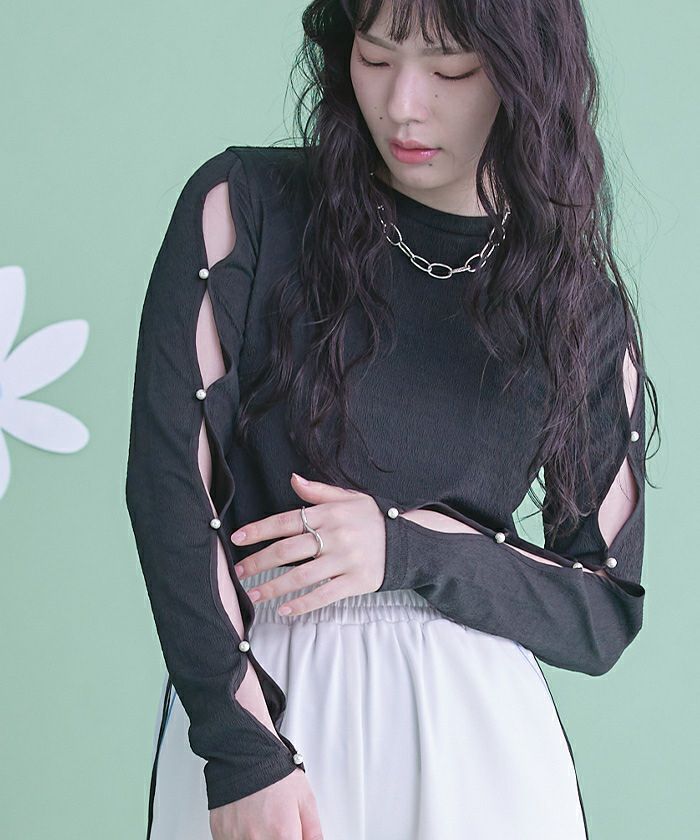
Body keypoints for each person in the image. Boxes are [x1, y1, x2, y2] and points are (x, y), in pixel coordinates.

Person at [125, 1, 659, 838]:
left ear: (526, 78)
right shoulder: (246, 207)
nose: (404, 105)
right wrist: (242, 755)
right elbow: (170, 495)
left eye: (451, 69)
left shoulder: (575, 303)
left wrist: (404, 546)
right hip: (269, 703)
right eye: (375, 58)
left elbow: (602, 609)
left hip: (475, 734)